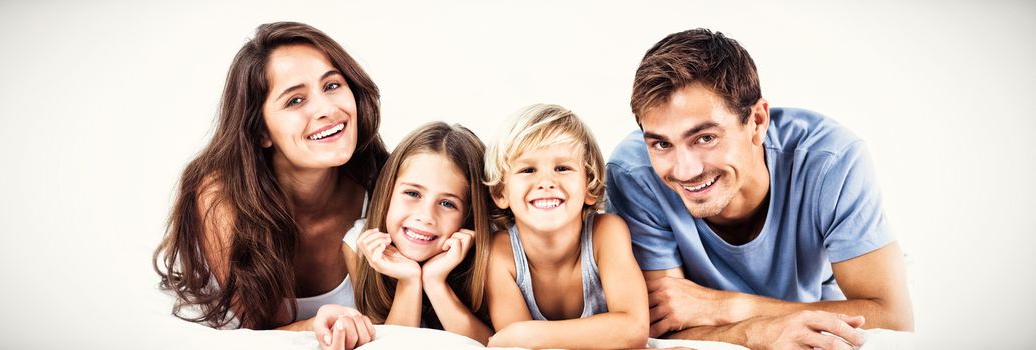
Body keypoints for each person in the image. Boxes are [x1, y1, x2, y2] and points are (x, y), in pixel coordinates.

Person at [606, 28, 914, 350]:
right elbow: (659, 328)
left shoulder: (830, 160)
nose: (685, 170)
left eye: (705, 138)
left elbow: (892, 316)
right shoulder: (634, 174)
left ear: (757, 121)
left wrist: (725, 307)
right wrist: (759, 334)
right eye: (661, 144)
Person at [153, 22, 387, 349]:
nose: (326, 110)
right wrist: (314, 326)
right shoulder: (220, 197)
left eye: (332, 85)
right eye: (295, 101)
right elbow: (259, 332)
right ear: (261, 132)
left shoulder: (388, 189)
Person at [483, 104, 649, 349]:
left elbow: (633, 328)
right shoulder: (500, 253)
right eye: (528, 169)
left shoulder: (606, 233)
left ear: (590, 186)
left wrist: (529, 335)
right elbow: (514, 345)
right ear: (500, 192)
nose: (547, 182)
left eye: (562, 168)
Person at [348, 122, 494, 344]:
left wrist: (435, 282)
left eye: (447, 203)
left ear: (468, 217)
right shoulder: (359, 245)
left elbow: (494, 346)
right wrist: (409, 281)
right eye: (413, 193)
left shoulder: (492, 252)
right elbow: (392, 346)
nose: (426, 216)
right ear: (387, 192)